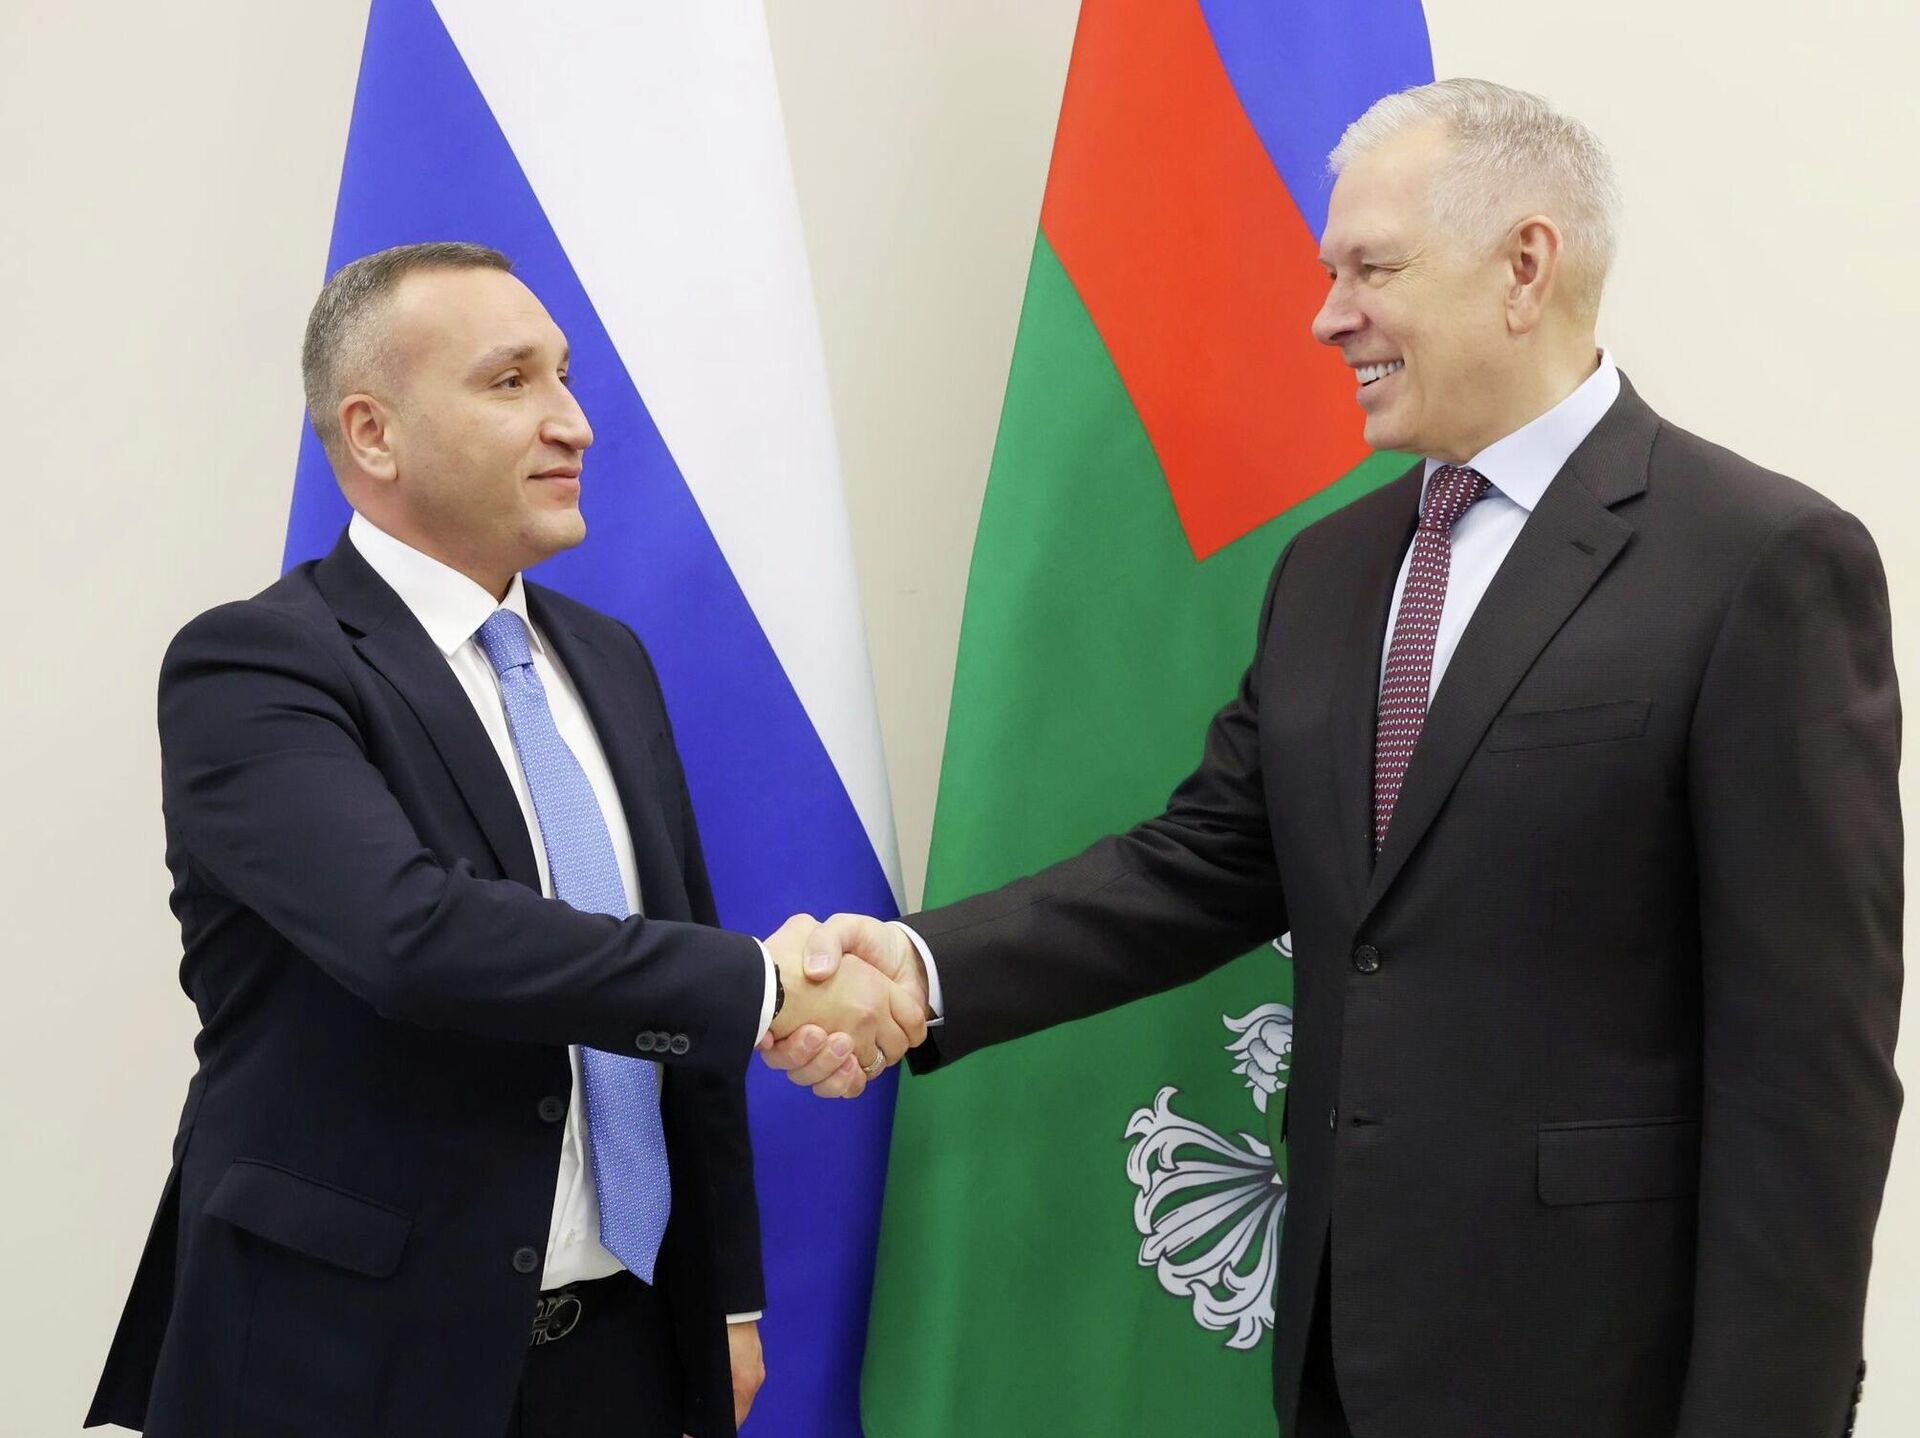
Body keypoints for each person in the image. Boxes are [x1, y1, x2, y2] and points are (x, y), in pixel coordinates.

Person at [768, 80, 1902, 1438]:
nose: (1326, 316)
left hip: (1605, 1371)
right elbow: (1201, 863)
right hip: (1340, 1362)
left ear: (1524, 267)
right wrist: (922, 967)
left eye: (1371, 269)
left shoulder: (1759, 562)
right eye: (1329, 273)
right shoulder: (1332, 569)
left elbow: (1810, 1072)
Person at [87, 242, 925, 1438]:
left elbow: (670, 987)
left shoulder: (609, 660)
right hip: (345, 1363)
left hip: (624, 1353)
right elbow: (414, 935)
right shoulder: (255, 666)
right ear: (373, 434)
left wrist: (727, 1296)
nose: (574, 422)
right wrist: (770, 984)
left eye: (565, 377)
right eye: (512, 381)